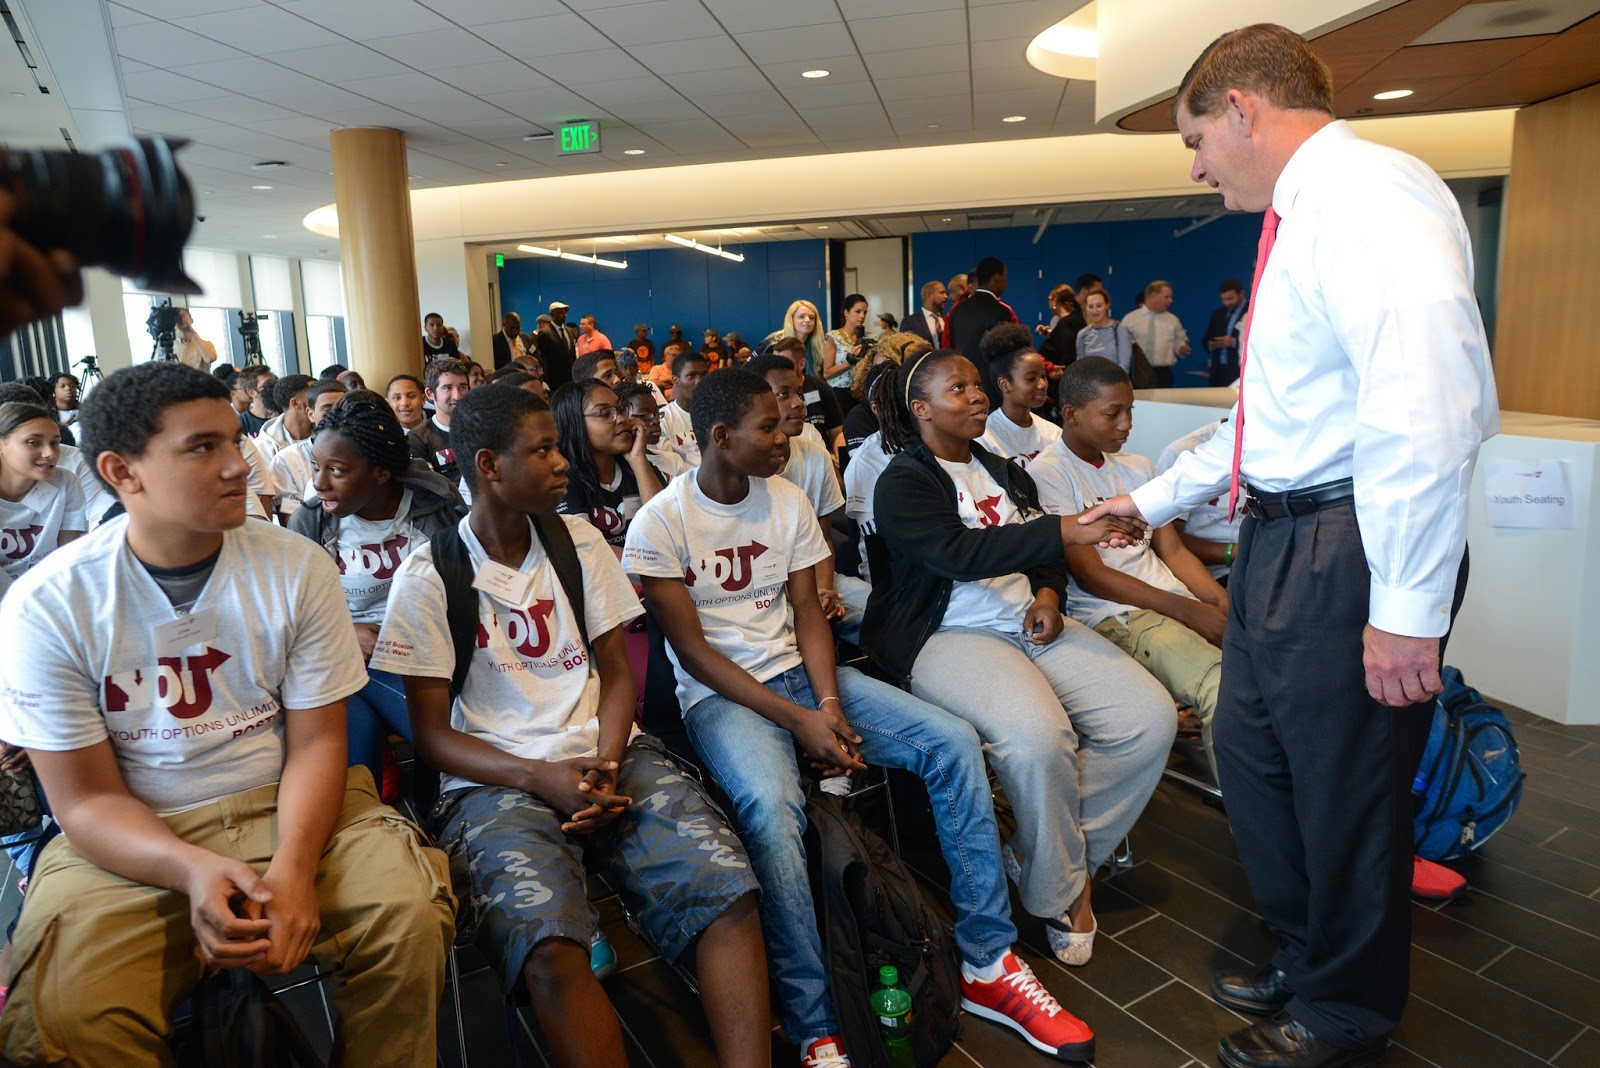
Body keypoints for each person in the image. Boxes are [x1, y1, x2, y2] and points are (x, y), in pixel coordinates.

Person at [1080, 24, 1499, 1068]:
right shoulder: (1302, 220)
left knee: (1344, 789)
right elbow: (1270, 416)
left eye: (1194, 139)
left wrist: (1403, 607)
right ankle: (1312, 953)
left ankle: (1346, 1011)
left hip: (1349, 543)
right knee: (1256, 758)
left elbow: (1426, 407)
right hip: (1280, 538)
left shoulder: (1369, 198)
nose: (1193, 164)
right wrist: (1154, 498)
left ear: (1239, 110)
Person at [623, 368, 1100, 1067]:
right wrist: (797, 720)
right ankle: (817, 1020)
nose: (784, 431)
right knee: (773, 807)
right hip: (726, 698)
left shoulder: (784, 500)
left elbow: (810, 613)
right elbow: (692, 655)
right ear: (721, 438)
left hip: (802, 677)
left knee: (953, 744)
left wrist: (827, 705)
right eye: (766, 425)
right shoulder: (660, 522)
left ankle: (987, 963)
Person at [0, 362, 455, 1065]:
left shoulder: (295, 567)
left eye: (231, 442)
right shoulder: (49, 605)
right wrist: (188, 870)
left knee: (409, 916)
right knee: (64, 1012)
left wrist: (296, 871)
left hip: (292, 808)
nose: (239, 465)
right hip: (134, 836)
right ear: (123, 472)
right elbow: (85, 799)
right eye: (201, 448)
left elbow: (315, 745)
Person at [370, 384, 769, 1067]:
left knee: (725, 884)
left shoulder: (578, 542)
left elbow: (618, 673)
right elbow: (432, 738)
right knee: (547, 944)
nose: (563, 463)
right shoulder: (429, 576)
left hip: (608, 751)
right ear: (490, 466)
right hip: (496, 777)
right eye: (545, 450)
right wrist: (540, 777)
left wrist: (607, 761)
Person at [861, 349, 1174, 970]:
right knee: (1037, 738)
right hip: (945, 635)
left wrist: (1053, 594)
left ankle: (1039, 855)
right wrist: (1065, 531)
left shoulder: (1006, 471)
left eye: (978, 385)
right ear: (921, 410)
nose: (978, 396)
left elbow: (1042, 557)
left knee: (1147, 719)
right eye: (959, 389)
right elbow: (956, 553)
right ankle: (1061, 893)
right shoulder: (902, 481)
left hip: (1023, 619)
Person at [1030, 357, 1227, 781]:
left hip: (1170, 599)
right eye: (1112, 413)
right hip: (1115, 613)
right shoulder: (1048, 473)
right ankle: (1257, 832)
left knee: (1265, 669)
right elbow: (1091, 575)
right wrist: (1191, 611)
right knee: (1223, 690)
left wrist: (1218, 601)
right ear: (1071, 415)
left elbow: (1173, 552)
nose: (1126, 424)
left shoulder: (1137, 466)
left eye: (1130, 411)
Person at [290, 394, 461, 795]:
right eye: (316, 467)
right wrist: (344, 631)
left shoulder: (433, 506)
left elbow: (465, 585)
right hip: (347, 652)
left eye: (337, 470)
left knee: (416, 721)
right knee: (360, 720)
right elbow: (289, 613)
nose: (319, 483)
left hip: (431, 647)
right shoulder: (312, 521)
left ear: (381, 472)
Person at [744, 353, 865, 637]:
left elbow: (821, 538)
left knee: (877, 606)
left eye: (798, 393)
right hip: (759, 589)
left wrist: (823, 589)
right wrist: (806, 601)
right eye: (783, 394)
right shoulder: (742, 466)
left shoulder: (813, 455)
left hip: (813, 572)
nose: (799, 402)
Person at [552, 379, 664, 555]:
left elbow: (665, 528)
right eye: (605, 414)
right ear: (575, 422)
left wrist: (638, 459)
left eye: (621, 410)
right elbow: (588, 551)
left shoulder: (637, 465)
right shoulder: (563, 479)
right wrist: (649, 564)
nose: (622, 419)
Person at [0, 401, 85, 578]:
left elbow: (67, 558)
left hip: (49, 593)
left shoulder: (65, 482)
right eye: (33, 442)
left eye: (55, 443)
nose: (49, 453)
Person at [1156, 417, 1243, 583]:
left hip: (1259, 564)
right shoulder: (1184, 452)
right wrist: (1235, 553)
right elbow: (1168, 540)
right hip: (1212, 574)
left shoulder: (1274, 447)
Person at [977, 323, 1062, 469]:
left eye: (1043, 376)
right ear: (1004, 384)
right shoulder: (985, 438)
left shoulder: (1053, 433)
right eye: (1031, 378)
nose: (1042, 384)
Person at [267, 377, 345, 523]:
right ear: (311, 414)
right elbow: (291, 520)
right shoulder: (286, 460)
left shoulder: (364, 454)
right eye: (327, 409)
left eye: (342, 409)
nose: (336, 416)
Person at [769, 335, 844, 452]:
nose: (778, 368)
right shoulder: (769, 391)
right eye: (774, 363)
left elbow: (837, 431)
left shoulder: (820, 387)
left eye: (784, 364)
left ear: (801, 364)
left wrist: (840, 461)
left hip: (822, 452)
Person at [412, 357, 472, 484]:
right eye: (447, 388)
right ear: (430, 393)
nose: (457, 396)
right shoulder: (418, 438)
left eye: (462, 387)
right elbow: (429, 488)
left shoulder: (483, 426)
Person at [1121, 281, 1191, 388]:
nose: (1171, 301)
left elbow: (1180, 345)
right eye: (1166, 297)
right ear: (1153, 296)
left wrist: (1183, 350)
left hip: (1163, 375)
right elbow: (1122, 347)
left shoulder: (1173, 320)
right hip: (1138, 373)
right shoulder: (1130, 319)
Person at [650, 348, 710, 472]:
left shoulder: (719, 414)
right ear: (675, 381)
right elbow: (668, 471)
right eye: (691, 376)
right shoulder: (662, 421)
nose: (699, 382)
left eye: (703, 375)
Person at [946, 256, 1019, 356]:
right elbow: (1008, 352)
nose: (1006, 283)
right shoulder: (1002, 311)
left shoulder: (956, 310)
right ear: (997, 277)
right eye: (1005, 277)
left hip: (962, 370)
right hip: (990, 371)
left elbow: (949, 347)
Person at [617, 381, 689, 481]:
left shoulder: (674, 461)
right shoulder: (617, 466)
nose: (656, 421)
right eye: (645, 415)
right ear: (622, 418)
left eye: (656, 413)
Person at [760, 299, 826, 379]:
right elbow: (751, 369)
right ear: (791, 319)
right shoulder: (772, 343)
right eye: (801, 317)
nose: (807, 320)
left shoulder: (818, 347)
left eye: (811, 317)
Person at [1075, 287, 1133, 372]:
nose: (1095, 311)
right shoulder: (1082, 334)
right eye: (1091, 306)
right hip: (1091, 383)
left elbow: (1124, 366)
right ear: (1085, 307)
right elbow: (1081, 367)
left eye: (1099, 306)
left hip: (1115, 382)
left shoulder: (1120, 329)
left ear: (1107, 305)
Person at [1204, 279, 1248, 386]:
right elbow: (1205, 339)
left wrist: (1233, 342)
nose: (1227, 303)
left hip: (1239, 371)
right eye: (1223, 299)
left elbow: (1255, 343)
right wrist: (1211, 344)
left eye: (1230, 298)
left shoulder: (1251, 311)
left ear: (1241, 294)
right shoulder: (1218, 314)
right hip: (1218, 372)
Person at [820, 294, 869, 390]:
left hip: (862, 392)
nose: (862, 316)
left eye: (865, 312)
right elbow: (827, 374)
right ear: (846, 312)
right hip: (840, 392)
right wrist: (849, 363)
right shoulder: (834, 337)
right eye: (858, 311)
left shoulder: (869, 338)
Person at [1038, 284, 1086, 369]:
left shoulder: (1065, 324)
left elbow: (1067, 354)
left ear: (1054, 301)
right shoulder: (1077, 318)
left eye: (1049, 299)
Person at [537, 301, 579, 388]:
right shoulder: (545, 333)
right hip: (553, 380)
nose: (564, 315)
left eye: (565, 313)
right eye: (561, 313)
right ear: (552, 315)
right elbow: (541, 357)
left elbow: (572, 354)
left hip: (570, 378)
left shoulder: (570, 331)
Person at [239, 365, 277, 436]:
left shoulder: (285, 415)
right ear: (251, 392)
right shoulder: (241, 423)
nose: (274, 386)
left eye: (274, 381)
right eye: (268, 384)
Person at [48, 372, 79, 440]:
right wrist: (61, 427)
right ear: (53, 392)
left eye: (72, 386)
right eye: (62, 386)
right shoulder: (48, 414)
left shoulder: (86, 409)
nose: (68, 388)